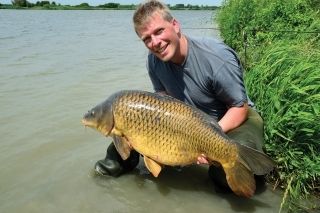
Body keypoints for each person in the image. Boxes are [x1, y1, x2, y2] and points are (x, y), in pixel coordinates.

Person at [95, 0, 266, 194]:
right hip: (188, 125)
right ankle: (98, 184)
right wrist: (145, 140)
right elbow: (162, 104)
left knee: (227, 166)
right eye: (147, 39)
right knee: (123, 143)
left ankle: (254, 178)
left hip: (235, 119)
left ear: (175, 25)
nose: (155, 43)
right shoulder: (154, 62)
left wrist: (208, 139)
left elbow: (239, 108)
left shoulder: (216, 57)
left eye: (159, 31)